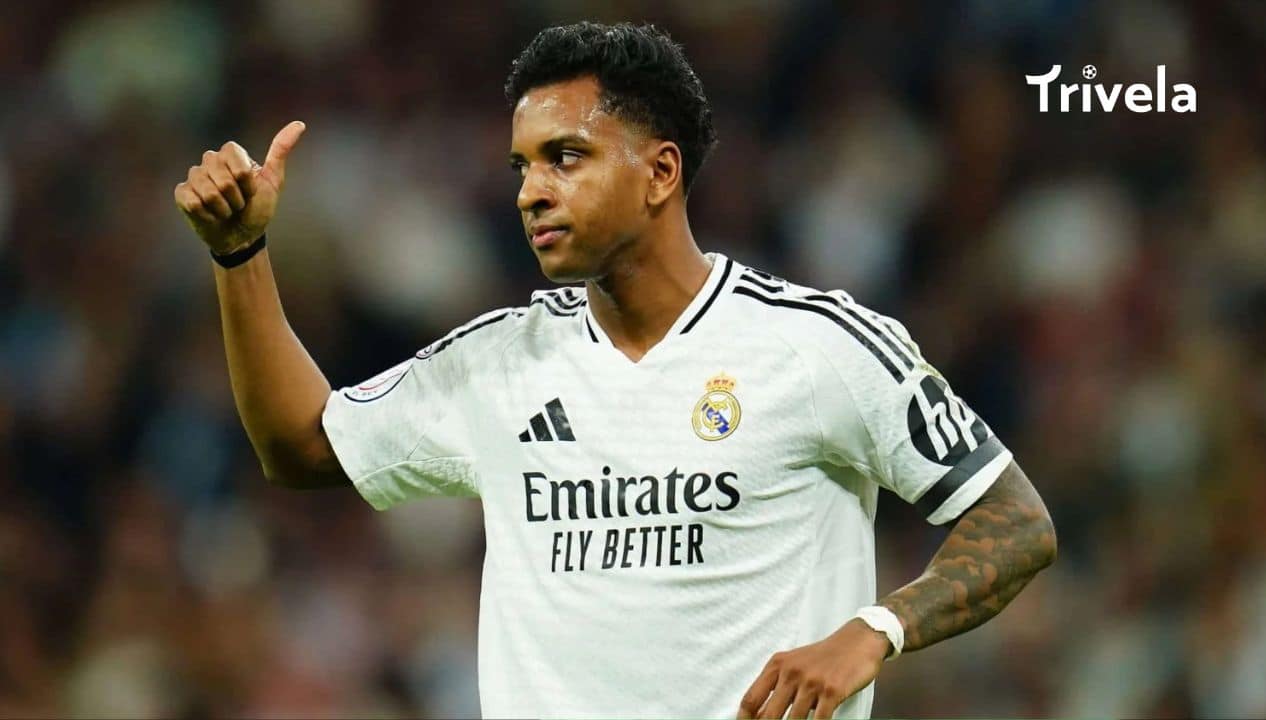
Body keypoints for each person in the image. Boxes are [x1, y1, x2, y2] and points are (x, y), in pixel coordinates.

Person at [172, 21, 1056, 720]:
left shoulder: (817, 345)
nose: (531, 190)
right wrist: (240, 253)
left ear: (660, 171)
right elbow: (300, 446)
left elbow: (1016, 521)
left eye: (566, 157)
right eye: (521, 166)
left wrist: (875, 630)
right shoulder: (497, 364)